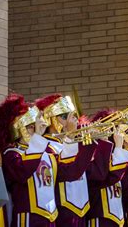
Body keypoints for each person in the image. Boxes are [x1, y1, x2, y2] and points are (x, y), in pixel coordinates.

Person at [0, 94, 57, 226]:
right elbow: (22, 172)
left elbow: (70, 173)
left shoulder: (46, 151)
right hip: (28, 215)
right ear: (19, 128)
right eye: (31, 126)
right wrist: (38, 138)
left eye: (35, 126)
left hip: (50, 216)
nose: (35, 129)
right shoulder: (11, 153)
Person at [35, 93, 97, 227]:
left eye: (72, 115)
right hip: (63, 207)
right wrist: (70, 136)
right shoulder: (45, 145)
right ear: (49, 119)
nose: (71, 120)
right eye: (64, 116)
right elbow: (69, 171)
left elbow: (96, 174)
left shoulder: (73, 141)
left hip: (82, 207)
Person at [86, 109, 128, 227]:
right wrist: (117, 146)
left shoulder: (110, 151)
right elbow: (108, 177)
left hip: (117, 213)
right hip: (100, 214)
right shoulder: (95, 151)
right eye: (114, 128)